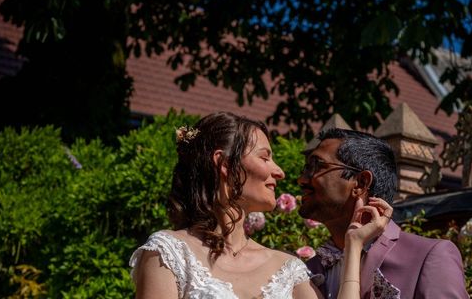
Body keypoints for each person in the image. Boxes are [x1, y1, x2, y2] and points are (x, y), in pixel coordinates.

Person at [130, 112, 391, 299]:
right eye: (265, 157)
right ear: (224, 164)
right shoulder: (169, 253)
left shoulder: (288, 269)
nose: (279, 172)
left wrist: (354, 244)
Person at [299, 128, 469, 299]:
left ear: (361, 183)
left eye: (316, 166)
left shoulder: (429, 257)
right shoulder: (304, 272)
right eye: (305, 169)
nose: (302, 180)